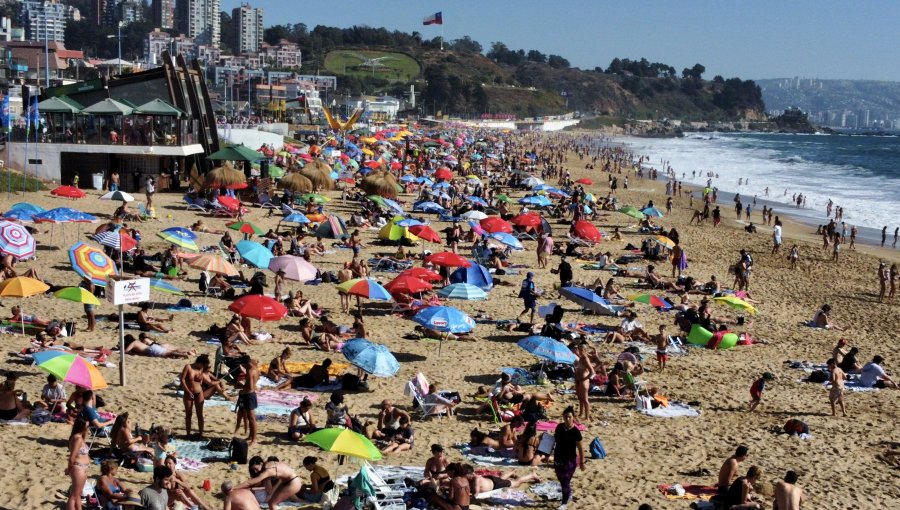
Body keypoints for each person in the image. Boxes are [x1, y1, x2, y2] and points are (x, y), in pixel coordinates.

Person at [180, 354, 231, 437]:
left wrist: (218, 382)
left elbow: (208, 381)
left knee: (199, 414)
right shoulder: (188, 367)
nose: (202, 367)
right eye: (202, 365)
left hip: (199, 393)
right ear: (199, 362)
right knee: (188, 414)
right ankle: (188, 434)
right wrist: (188, 391)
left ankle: (200, 433)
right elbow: (182, 380)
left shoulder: (201, 369)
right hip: (188, 393)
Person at [553, 406, 584, 510]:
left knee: (566, 480)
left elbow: (580, 448)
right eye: (565, 417)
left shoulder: (576, 432)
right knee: (561, 479)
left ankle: (564, 503)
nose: (567, 419)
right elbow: (555, 440)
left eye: (569, 417)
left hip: (570, 460)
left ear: (573, 417)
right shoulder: (559, 427)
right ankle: (568, 494)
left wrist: (582, 462)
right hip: (558, 458)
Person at [66, 419, 91, 510]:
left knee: (78, 494)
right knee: (74, 495)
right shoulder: (78, 438)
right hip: (78, 468)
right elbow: (72, 457)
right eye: (87, 426)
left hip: (81, 468)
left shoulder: (79, 437)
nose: (89, 428)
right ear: (82, 427)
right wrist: (68, 469)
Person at [235, 355, 259, 446]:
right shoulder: (255, 368)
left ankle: (254, 440)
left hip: (249, 395)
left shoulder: (249, 371)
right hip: (250, 395)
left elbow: (250, 387)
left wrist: (240, 386)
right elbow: (254, 382)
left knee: (252, 419)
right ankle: (250, 436)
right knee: (250, 418)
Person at [572, 342, 595, 421]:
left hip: (583, 381)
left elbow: (592, 371)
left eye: (581, 350)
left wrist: (585, 379)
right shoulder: (581, 357)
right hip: (579, 380)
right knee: (580, 398)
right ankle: (581, 413)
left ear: (585, 350)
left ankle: (587, 417)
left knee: (585, 399)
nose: (580, 351)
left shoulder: (585, 358)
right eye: (579, 349)